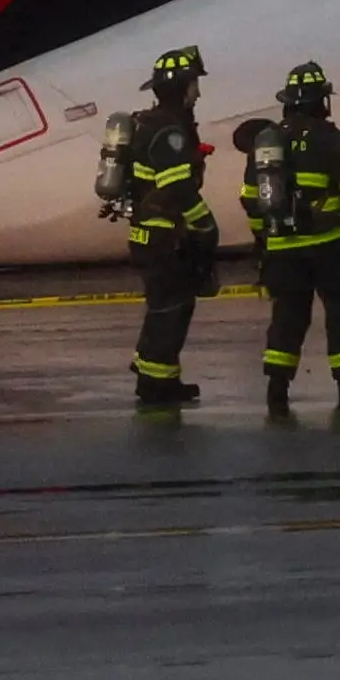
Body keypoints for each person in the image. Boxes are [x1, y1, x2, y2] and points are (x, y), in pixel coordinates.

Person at [248, 60, 340, 407]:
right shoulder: (329, 137)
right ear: (321, 101)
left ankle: (277, 386)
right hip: (328, 246)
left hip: (283, 249)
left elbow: (251, 200)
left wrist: (265, 242)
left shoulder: (266, 142)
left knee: (288, 317)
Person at [100, 46, 216, 410]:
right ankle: (153, 386)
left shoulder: (150, 123)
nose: (197, 91)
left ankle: (161, 378)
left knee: (167, 307)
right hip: (164, 236)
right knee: (171, 308)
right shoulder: (169, 132)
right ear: (183, 86)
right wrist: (205, 224)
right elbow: (178, 187)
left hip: (149, 234)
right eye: (194, 83)